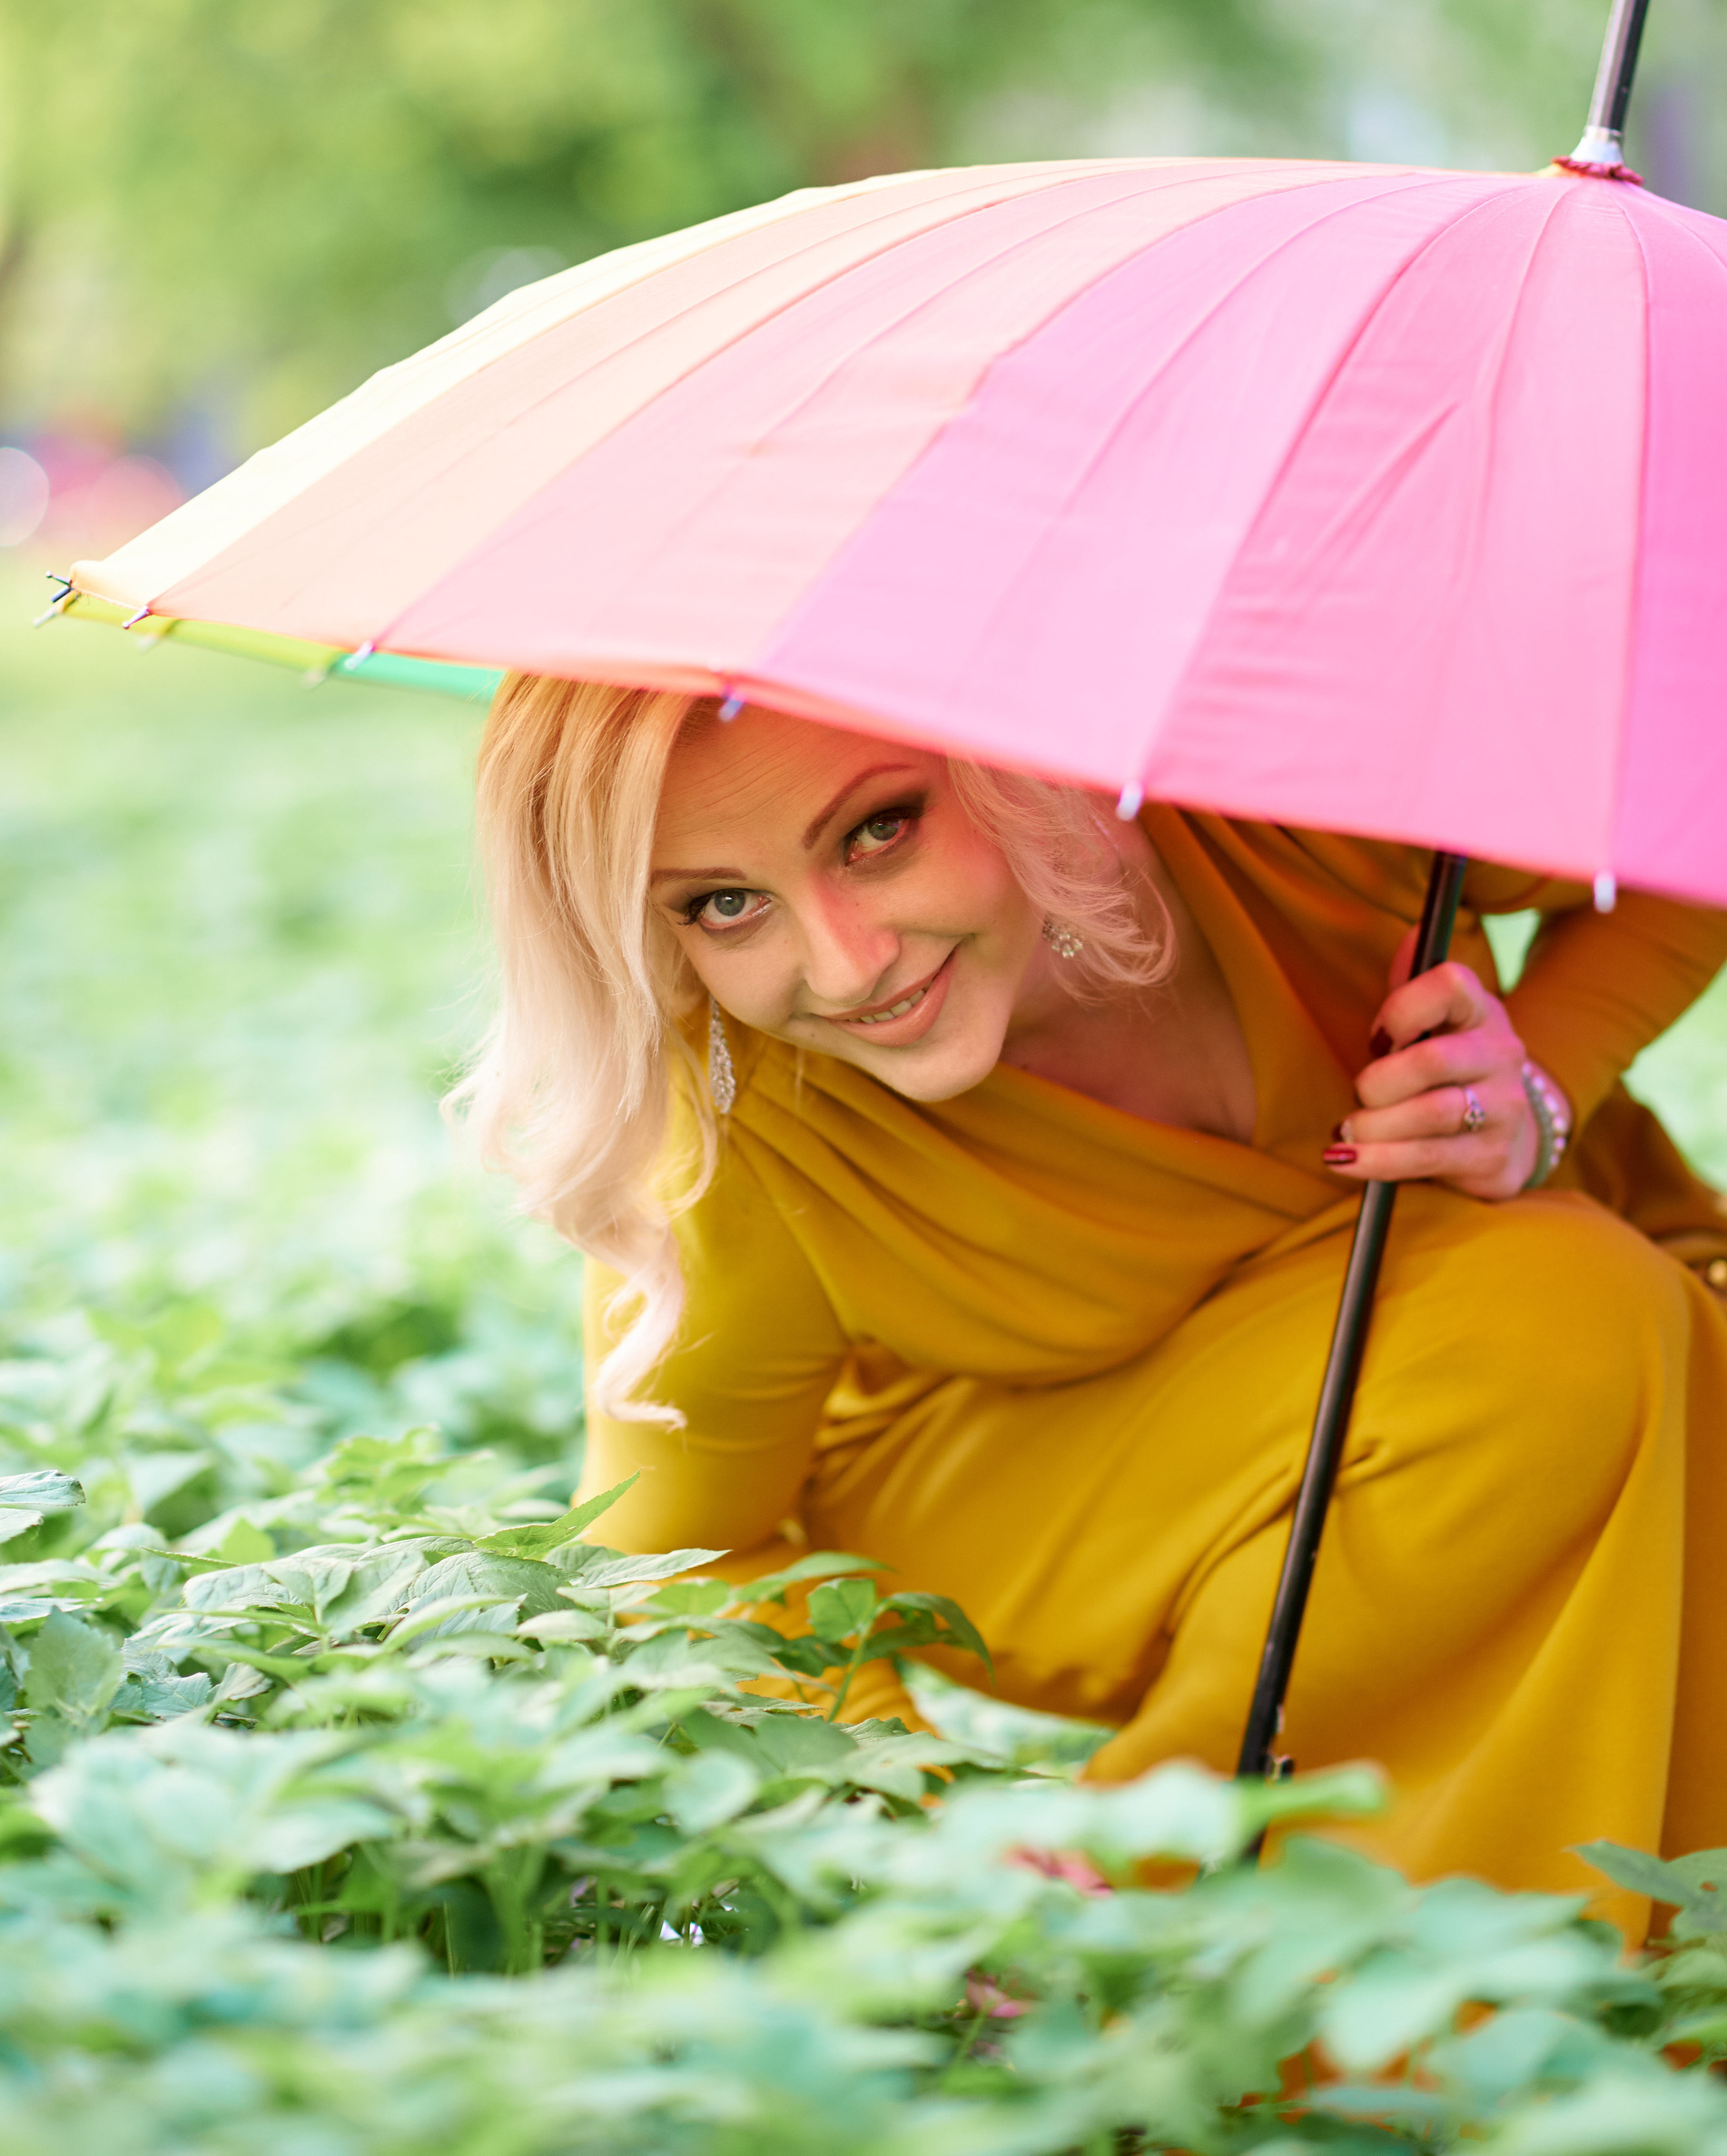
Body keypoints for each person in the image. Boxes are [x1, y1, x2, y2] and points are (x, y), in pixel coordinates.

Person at [460, 675, 1727, 1933]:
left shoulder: (1279, 800)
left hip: (1510, 1342)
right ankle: (1128, 1929)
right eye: (725, 905)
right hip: (1025, 1485)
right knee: (1563, 1315)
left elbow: (1689, 818)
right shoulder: (747, 1136)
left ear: (1017, 755)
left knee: (1592, 1337)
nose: (847, 966)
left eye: (880, 829)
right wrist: (924, 1804)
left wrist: (1546, 1072)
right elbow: (672, 1553)